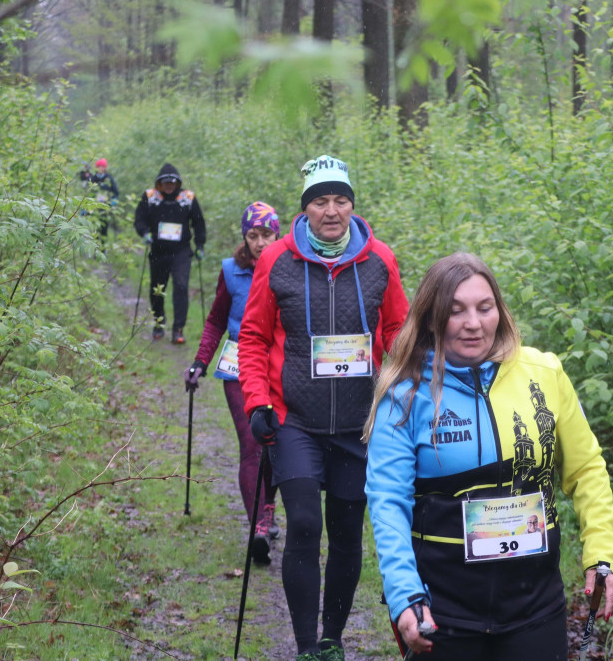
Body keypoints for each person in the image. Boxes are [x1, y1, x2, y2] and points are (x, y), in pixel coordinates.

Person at [363, 252, 613, 661]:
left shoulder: (544, 373)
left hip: (535, 604)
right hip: (444, 611)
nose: (473, 323)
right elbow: (387, 503)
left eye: (485, 308)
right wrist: (404, 594)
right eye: (456, 311)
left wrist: (601, 555)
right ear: (432, 317)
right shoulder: (404, 395)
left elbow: (587, 469)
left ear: (499, 310)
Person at [237, 155, 409, 661]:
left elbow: (399, 329)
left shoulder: (380, 260)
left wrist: (403, 382)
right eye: (320, 201)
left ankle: (333, 637)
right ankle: (307, 646)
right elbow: (252, 336)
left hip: (360, 424)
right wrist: (257, 401)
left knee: (347, 533)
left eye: (340, 200)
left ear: (352, 204)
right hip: (296, 422)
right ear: (305, 208)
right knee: (306, 524)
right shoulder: (277, 261)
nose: (331, 210)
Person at [185, 202, 282, 564]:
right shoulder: (232, 271)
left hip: (281, 367)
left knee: (275, 447)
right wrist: (199, 362)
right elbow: (215, 321)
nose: (259, 243)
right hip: (239, 366)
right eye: (253, 236)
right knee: (252, 444)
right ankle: (258, 526)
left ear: (278, 233)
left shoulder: (290, 265)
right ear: (244, 236)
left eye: (266, 235)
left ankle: (268, 506)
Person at [133, 163, 206, 343]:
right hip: (158, 250)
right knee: (157, 290)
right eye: (166, 183)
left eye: (172, 183)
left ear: (178, 183)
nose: (169, 186)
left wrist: (200, 245)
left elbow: (198, 222)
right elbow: (139, 219)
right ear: (159, 183)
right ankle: (159, 322)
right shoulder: (150, 197)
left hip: (182, 251)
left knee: (181, 287)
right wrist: (144, 233)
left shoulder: (187, 198)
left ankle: (178, 329)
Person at [91, 158, 120, 240]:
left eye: (102, 166)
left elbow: (116, 191)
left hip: (106, 207)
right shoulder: (93, 178)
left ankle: (103, 250)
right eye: (99, 166)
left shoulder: (109, 178)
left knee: (104, 229)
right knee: (95, 229)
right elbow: (89, 193)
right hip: (95, 207)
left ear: (105, 168)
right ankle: (95, 248)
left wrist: (113, 202)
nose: (101, 168)